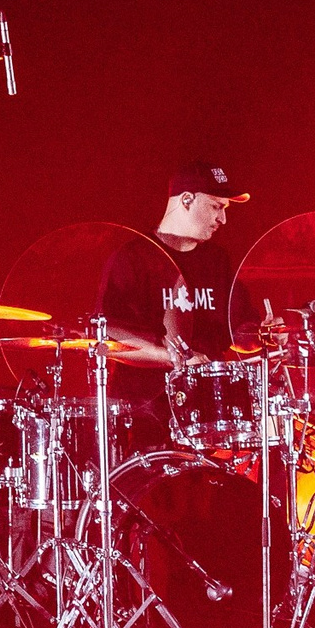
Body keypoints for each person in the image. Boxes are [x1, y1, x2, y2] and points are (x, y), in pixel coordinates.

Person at [96, 163, 257, 429]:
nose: (223, 220)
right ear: (186, 200)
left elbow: (239, 332)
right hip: (143, 415)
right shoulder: (133, 258)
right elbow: (106, 339)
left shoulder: (218, 261)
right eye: (217, 207)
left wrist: (266, 335)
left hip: (209, 415)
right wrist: (174, 358)